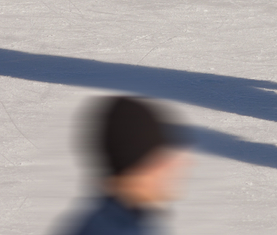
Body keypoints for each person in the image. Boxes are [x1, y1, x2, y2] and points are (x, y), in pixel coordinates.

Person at [55, 96, 189, 235]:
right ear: (139, 165)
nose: (181, 163)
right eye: (161, 157)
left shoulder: (120, 219)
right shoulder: (118, 229)